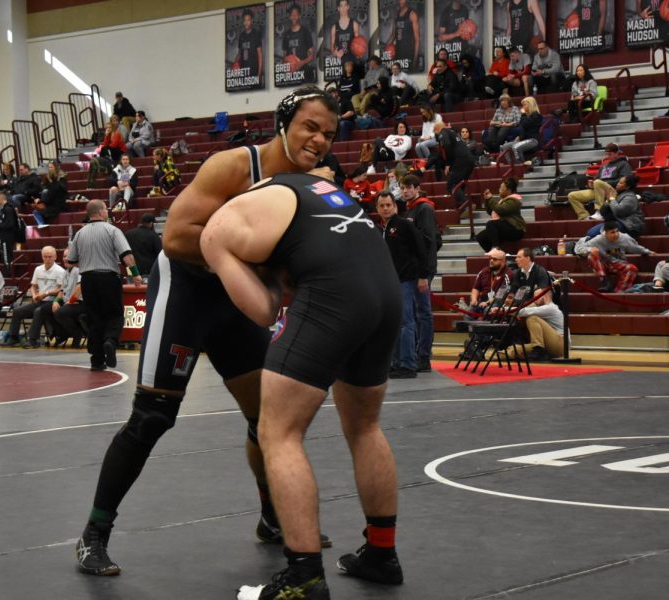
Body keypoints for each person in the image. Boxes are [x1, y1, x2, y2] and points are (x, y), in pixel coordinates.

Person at [74, 86, 339, 577]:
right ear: (284, 123)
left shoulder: (311, 183)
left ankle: (271, 515)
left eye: (328, 133)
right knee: (152, 416)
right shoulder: (236, 166)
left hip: (235, 298)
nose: (320, 140)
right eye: (310, 127)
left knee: (269, 419)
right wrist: (249, 259)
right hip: (189, 289)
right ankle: (94, 533)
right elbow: (175, 238)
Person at [198, 173, 404, 600]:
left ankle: (303, 576)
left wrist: (267, 275)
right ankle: (382, 555)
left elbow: (263, 311)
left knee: (279, 432)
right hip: (385, 289)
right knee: (365, 426)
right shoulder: (308, 188)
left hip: (336, 295)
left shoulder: (219, 227)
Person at [67, 200, 141, 370]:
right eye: (106, 210)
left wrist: (88, 262)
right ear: (101, 212)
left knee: (94, 318)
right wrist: (136, 275)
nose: (107, 212)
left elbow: (71, 261)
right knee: (115, 314)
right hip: (108, 278)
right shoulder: (112, 230)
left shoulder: (80, 233)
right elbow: (127, 255)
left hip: (88, 280)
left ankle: (97, 360)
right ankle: (110, 341)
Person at [375, 191, 428, 379]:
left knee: (406, 322)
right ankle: (397, 363)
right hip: (390, 282)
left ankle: (408, 364)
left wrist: (423, 276)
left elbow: (422, 248)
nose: (385, 208)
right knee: (395, 323)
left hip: (405, 279)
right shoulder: (381, 229)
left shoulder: (404, 225)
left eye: (388, 205)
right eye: (382, 205)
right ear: (377, 208)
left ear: (395, 206)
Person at [400, 175, 438, 373]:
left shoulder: (424, 209)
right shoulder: (411, 208)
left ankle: (424, 355)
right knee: (416, 312)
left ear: (417, 188)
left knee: (423, 312)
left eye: (408, 187)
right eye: (402, 187)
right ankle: (417, 351)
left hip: (422, 268)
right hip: (413, 267)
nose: (405, 191)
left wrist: (425, 271)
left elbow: (429, 241)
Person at [1, 246, 65, 348]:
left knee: (38, 311)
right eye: (45, 257)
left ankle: (32, 339)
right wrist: (35, 295)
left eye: (50, 257)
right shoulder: (38, 269)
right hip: (40, 300)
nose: (47, 259)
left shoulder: (60, 271)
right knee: (17, 311)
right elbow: (33, 286)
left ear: (55, 257)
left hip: (52, 302)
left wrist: (46, 293)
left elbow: (61, 289)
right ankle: (13, 337)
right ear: (42, 257)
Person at [575, 222, 652, 292]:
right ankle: (603, 281)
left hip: (617, 263)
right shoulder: (598, 239)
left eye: (617, 231)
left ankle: (619, 293)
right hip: (602, 264)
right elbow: (578, 248)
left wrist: (648, 251)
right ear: (606, 233)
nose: (616, 234)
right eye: (612, 232)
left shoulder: (624, 238)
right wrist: (589, 249)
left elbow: (635, 247)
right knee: (593, 253)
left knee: (632, 269)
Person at [567, 143, 633, 221]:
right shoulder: (604, 166)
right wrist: (591, 184)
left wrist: (605, 183)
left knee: (598, 182)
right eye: (607, 154)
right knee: (572, 195)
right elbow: (596, 179)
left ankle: (600, 211)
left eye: (610, 154)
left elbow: (625, 180)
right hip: (599, 190)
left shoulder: (623, 164)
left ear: (617, 153)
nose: (608, 156)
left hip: (612, 191)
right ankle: (584, 216)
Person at [584, 174, 645, 238]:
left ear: (628, 187)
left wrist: (612, 199)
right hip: (615, 222)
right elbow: (603, 212)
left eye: (621, 183)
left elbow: (619, 211)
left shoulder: (630, 197)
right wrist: (608, 201)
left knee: (593, 234)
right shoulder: (618, 195)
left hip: (629, 226)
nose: (617, 184)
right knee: (590, 233)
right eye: (618, 182)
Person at [516, 282, 565, 361]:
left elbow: (524, 311)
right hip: (548, 344)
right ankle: (494, 357)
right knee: (514, 349)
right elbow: (524, 310)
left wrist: (502, 310)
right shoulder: (541, 307)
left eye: (536, 297)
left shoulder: (550, 308)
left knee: (532, 318)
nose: (534, 300)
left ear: (544, 296)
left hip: (560, 345)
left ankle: (538, 349)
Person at [477, 178, 526, 252]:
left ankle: (495, 248)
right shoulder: (502, 201)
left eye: (501, 188)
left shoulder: (514, 201)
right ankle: (493, 255)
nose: (499, 190)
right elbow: (491, 212)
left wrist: (491, 199)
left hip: (516, 230)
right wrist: (487, 200)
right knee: (481, 237)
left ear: (509, 190)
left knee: (491, 224)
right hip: (505, 229)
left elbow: (501, 210)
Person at [52, 248, 86, 348]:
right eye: (64, 256)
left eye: (68, 256)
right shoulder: (66, 272)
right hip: (70, 303)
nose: (66, 259)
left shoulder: (80, 269)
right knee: (46, 309)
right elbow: (62, 290)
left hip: (82, 303)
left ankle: (76, 333)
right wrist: (56, 301)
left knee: (60, 312)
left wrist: (70, 302)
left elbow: (80, 287)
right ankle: (61, 334)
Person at [469, 248, 514, 313]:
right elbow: (476, 288)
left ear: (502, 261)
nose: (491, 261)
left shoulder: (508, 274)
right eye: (490, 258)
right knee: (469, 311)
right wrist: (474, 299)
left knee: (487, 310)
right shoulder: (484, 271)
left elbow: (501, 295)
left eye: (495, 259)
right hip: (482, 301)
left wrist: (487, 303)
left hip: (498, 302)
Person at [499, 95, 541, 164]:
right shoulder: (526, 116)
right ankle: (512, 165)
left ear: (530, 105)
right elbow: (522, 127)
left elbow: (525, 124)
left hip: (532, 140)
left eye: (525, 105)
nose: (523, 107)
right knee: (504, 147)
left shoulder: (536, 115)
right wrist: (520, 137)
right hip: (523, 140)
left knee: (516, 147)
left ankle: (521, 166)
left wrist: (523, 114)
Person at [282, 3, 315, 80]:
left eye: (296, 14)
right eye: (292, 14)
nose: (294, 17)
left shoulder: (305, 32)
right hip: (292, 75)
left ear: (299, 15)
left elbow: (311, 56)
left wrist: (300, 63)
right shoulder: (286, 35)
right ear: (289, 16)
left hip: (304, 72)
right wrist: (289, 64)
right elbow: (284, 58)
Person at [124, 213, 162, 277]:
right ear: (151, 223)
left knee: (131, 287)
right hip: (149, 271)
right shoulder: (153, 235)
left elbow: (123, 252)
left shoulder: (128, 234)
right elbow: (160, 253)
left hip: (132, 270)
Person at [386, 0, 420, 71]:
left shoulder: (412, 14)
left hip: (409, 52)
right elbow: (393, 35)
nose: (400, 1)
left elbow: (417, 39)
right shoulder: (397, 14)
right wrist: (386, 48)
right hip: (398, 52)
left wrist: (415, 59)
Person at [33, 160, 68, 227]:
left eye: (51, 167)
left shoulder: (57, 182)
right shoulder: (51, 183)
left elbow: (51, 196)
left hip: (56, 205)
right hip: (53, 203)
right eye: (49, 167)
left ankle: (42, 225)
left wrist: (41, 201)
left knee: (36, 212)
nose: (50, 169)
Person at [235, 9, 264, 83]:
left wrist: (259, 74)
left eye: (248, 20)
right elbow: (239, 54)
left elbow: (260, 55)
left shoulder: (256, 34)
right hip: (244, 72)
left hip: (254, 72)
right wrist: (234, 64)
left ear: (252, 20)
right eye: (245, 20)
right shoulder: (241, 36)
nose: (246, 22)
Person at [335, 61, 360, 140]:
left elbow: (351, 112)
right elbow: (340, 88)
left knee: (342, 124)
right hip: (345, 95)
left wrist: (340, 117)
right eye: (346, 67)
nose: (348, 68)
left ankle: (343, 142)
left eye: (350, 66)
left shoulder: (355, 76)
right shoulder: (342, 77)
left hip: (348, 121)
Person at [0, 191, 18, 265]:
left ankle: (9, 273)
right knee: (7, 256)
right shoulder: (4, 209)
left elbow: (9, 224)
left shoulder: (8, 209)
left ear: (1, 198)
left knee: (7, 258)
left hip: (7, 237)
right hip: (5, 237)